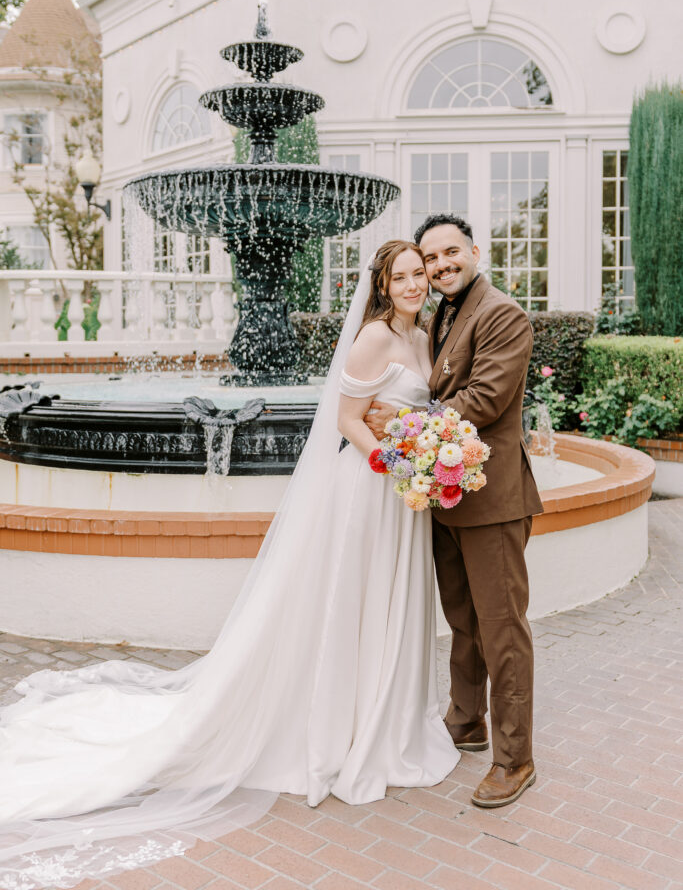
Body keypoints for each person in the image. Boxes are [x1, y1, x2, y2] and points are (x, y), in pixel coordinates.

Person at [0, 239, 459, 890]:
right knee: (352, 603)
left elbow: (416, 409)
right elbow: (345, 418)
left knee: (390, 605)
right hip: (368, 490)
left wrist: (428, 445)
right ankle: (342, 729)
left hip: (400, 496)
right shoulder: (374, 339)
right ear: (382, 286)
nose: (414, 284)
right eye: (402, 277)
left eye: (420, 275)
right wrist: (395, 463)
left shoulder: (422, 335)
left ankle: (381, 718)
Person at [366, 215, 543, 808]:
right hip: (446, 494)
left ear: (474, 251)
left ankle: (515, 759)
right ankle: (465, 720)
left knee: (502, 628)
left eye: (449, 254)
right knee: (464, 620)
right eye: (430, 258)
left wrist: (404, 425)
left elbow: (484, 399)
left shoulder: (501, 314)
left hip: (492, 499)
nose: (440, 266)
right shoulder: (441, 313)